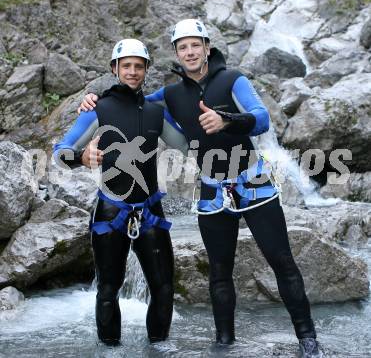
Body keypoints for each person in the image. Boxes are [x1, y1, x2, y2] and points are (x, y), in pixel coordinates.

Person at [79, 20, 322, 357]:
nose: (190, 52)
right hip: (211, 189)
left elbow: (262, 116)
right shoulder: (171, 94)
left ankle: (307, 338)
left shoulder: (232, 79)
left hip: (253, 183)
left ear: (208, 47)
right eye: (183, 47)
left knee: (282, 261)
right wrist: (94, 99)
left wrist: (228, 120)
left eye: (196, 45)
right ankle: (224, 342)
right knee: (219, 272)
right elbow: (130, 103)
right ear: (177, 53)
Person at [54, 39, 188, 346]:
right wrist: (82, 158)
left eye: (138, 66)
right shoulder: (98, 108)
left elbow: (186, 145)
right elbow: (61, 152)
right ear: (115, 69)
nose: (132, 71)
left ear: (145, 71)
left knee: (164, 288)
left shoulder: (156, 112)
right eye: (126, 66)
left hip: (151, 211)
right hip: (111, 210)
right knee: (108, 290)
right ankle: (111, 353)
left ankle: (159, 347)